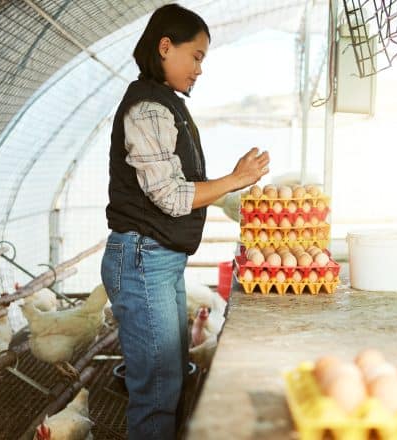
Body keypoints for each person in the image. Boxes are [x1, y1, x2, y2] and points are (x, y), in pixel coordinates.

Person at [100, 4, 269, 439]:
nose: (199, 70)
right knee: (157, 392)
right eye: (196, 57)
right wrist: (234, 179)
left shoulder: (165, 104)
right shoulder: (149, 109)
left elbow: (182, 187)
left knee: (170, 379)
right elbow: (174, 197)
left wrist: (231, 191)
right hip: (142, 260)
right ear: (165, 46)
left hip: (156, 259)